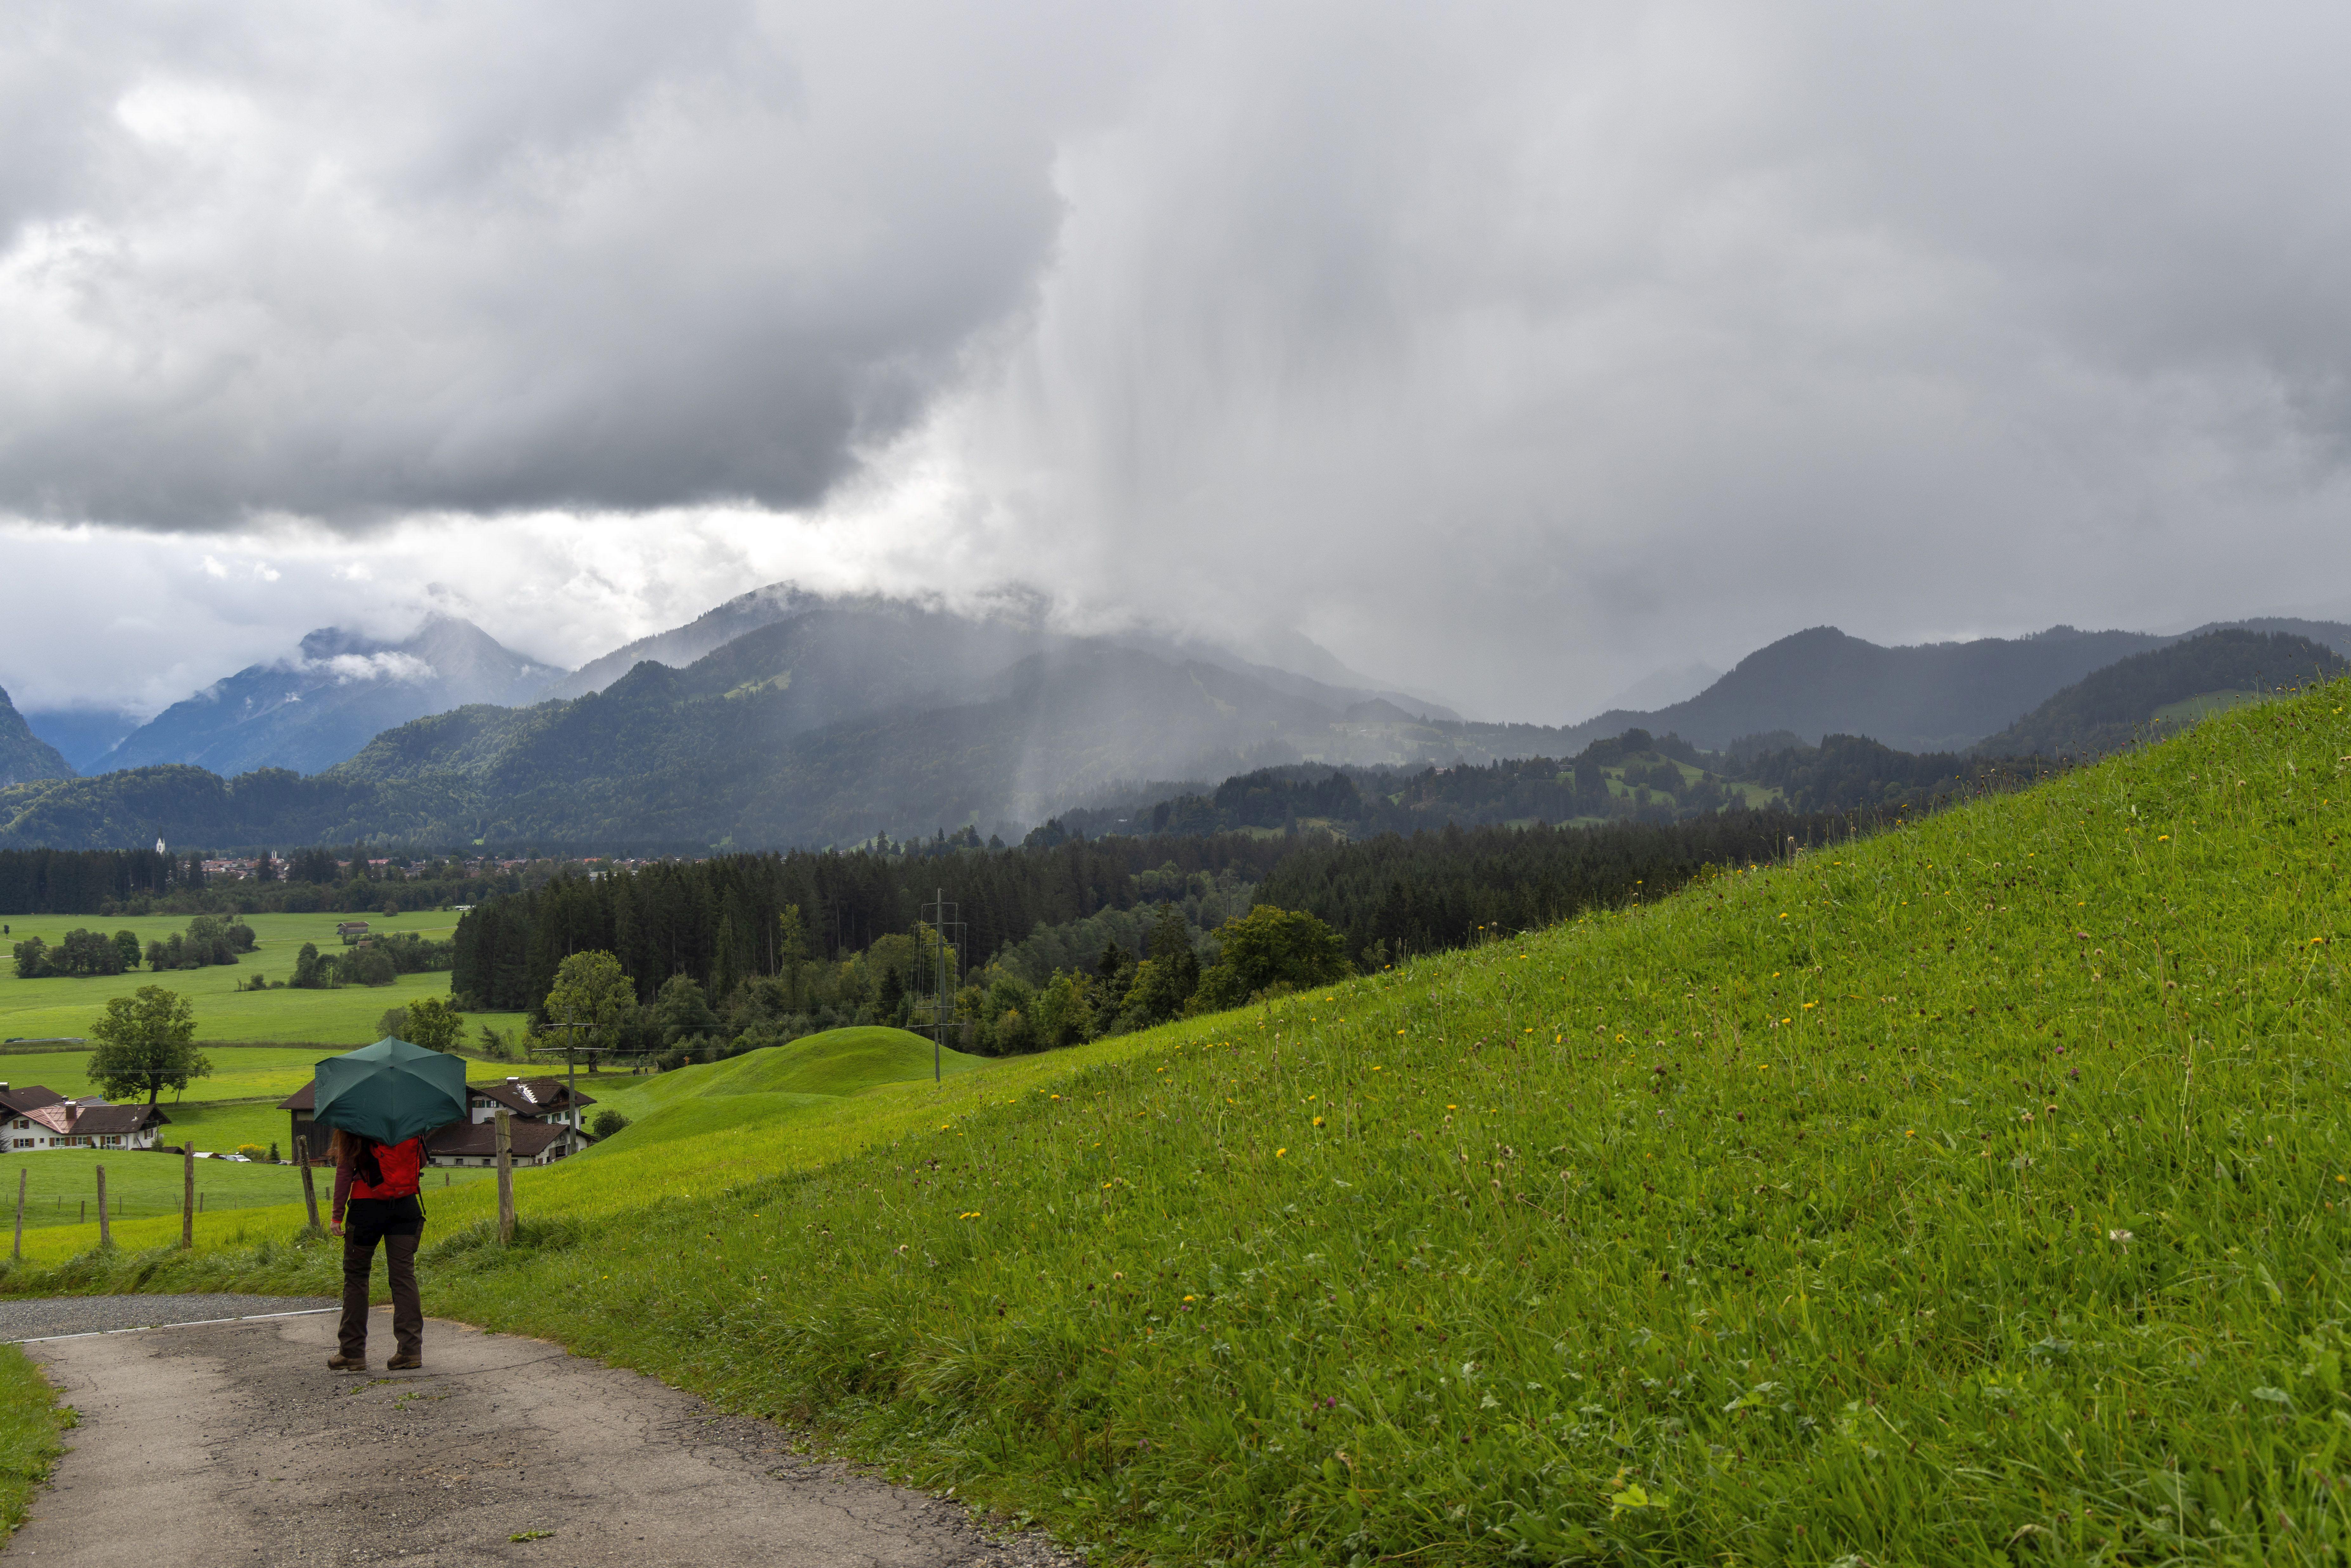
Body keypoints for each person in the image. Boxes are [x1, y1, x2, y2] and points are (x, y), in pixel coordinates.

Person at [326, 1126, 428, 1371]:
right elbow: (422, 1161)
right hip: (406, 1206)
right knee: (404, 1277)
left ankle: (352, 1353)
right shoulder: (408, 1120)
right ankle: (410, 1351)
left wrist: (337, 1216)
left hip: (365, 1210)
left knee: (357, 1278)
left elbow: (344, 1172)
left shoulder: (354, 1122)